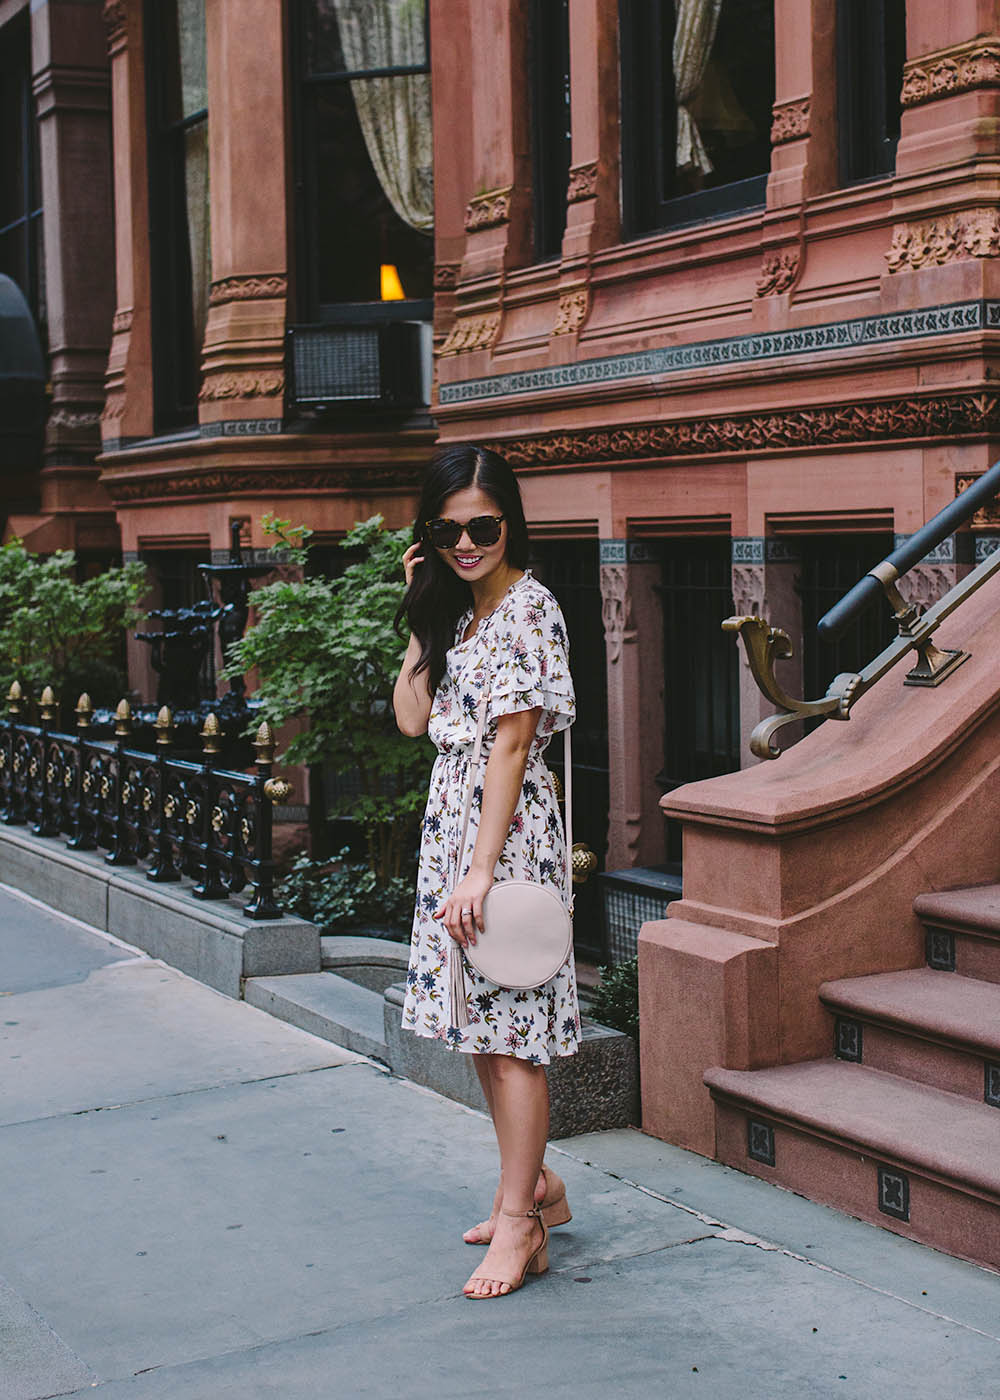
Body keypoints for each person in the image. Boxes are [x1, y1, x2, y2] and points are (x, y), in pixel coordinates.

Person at [393, 443, 580, 1299]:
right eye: (449, 530)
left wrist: (478, 872)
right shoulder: (460, 615)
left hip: (501, 843)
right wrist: (415, 615)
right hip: (454, 835)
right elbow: (412, 720)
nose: (467, 542)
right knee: (478, 1029)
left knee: (512, 1039)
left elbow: (510, 744)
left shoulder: (529, 609)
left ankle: (521, 1225)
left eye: (483, 526)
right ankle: (534, 1184)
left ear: (511, 522)